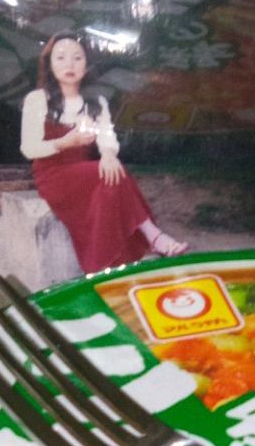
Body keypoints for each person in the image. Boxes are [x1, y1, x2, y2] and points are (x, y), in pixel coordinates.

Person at [20, 30, 187, 274]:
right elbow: (29, 148)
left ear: (87, 64)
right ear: (49, 63)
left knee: (111, 179)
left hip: (84, 173)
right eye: (61, 57)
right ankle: (153, 236)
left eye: (77, 57)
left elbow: (107, 137)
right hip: (52, 174)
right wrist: (64, 142)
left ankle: (109, 266)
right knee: (109, 174)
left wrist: (108, 154)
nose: (69, 64)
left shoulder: (96, 102)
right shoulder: (37, 99)